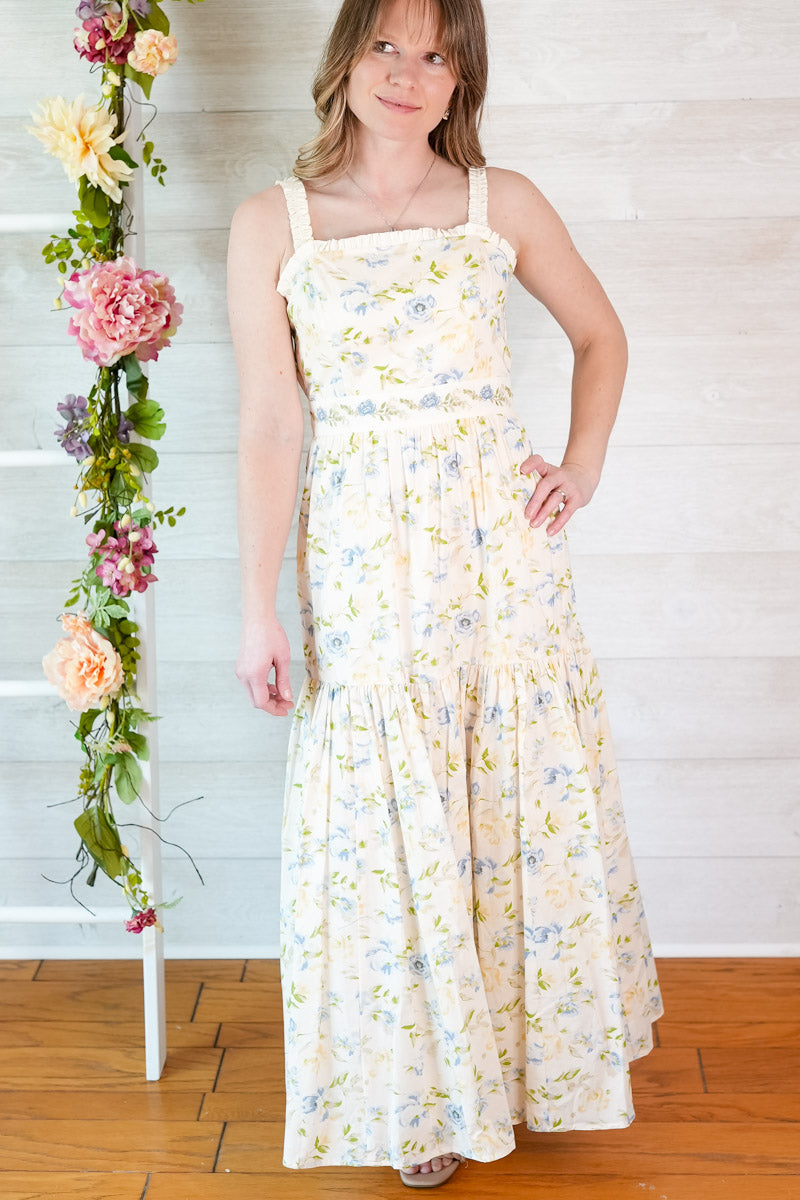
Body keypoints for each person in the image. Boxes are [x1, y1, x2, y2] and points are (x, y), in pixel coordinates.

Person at [227, 0, 665, 1187]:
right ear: (345, 58)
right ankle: (417, 1090)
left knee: (506, 784)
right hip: (363, 556)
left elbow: (599, 336)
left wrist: (577, 467)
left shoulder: (497, 203)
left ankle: (526, 1065)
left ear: (461, 77)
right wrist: (257, 604)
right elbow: (271, 422)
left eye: (437, 54)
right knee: (384, 813)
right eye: (386, 45)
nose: (408, 74)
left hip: (497, 554)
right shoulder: (272, 224)